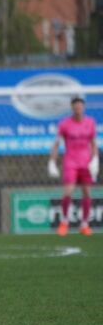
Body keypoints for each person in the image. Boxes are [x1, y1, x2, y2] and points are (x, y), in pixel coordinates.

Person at [48, 96, 98, 236]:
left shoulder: (90, 122)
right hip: (70, 162)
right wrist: (52, 161)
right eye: (76, 107)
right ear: (72, 108)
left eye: (80, 107)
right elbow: (57, 143)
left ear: (83, 108)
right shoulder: (64, 124)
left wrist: (95, 159)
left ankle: (84, 224)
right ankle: (64, 222)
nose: (78, 109)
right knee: (68, 192)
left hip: (86, 162)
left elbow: (93, 142)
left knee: (87, 192)